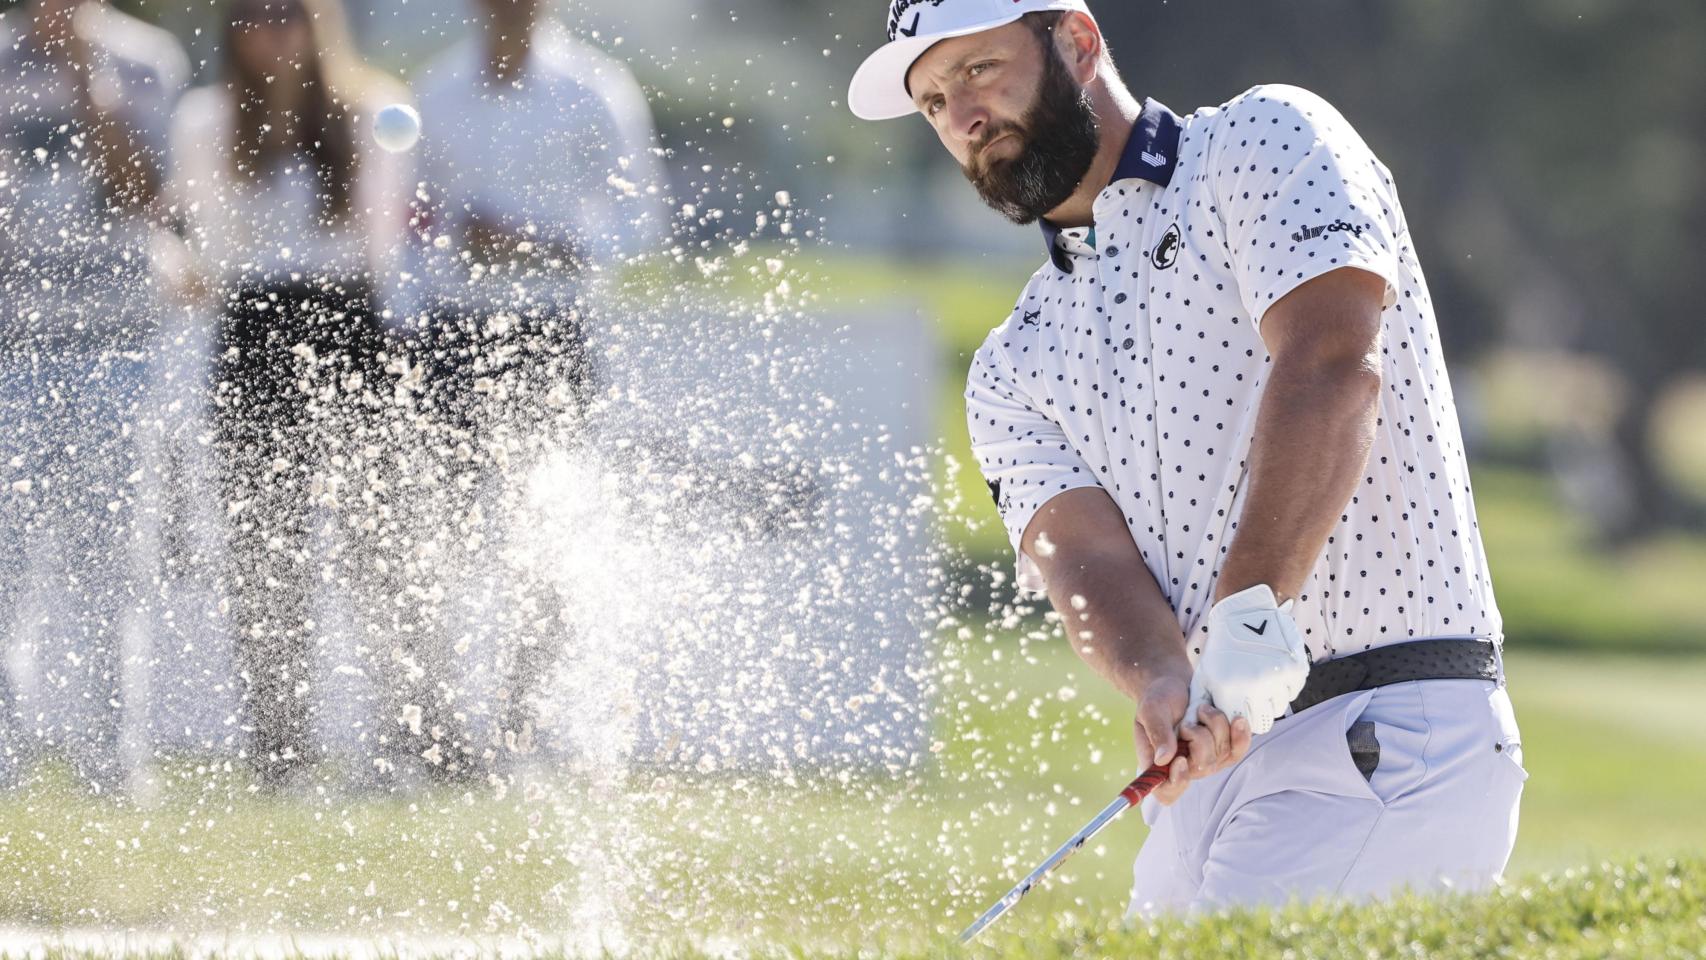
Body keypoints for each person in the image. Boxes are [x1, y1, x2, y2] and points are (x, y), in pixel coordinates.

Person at [849, 0, 1524, 916]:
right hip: (1214, 770)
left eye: (979, 70)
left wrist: (1250, 616)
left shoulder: (1264, 140)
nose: (963, 118)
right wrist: (1158, 675)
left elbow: (1332, 363)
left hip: (1387, 728)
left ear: (1077, 42)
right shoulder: (1012, 363)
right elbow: (1082, 558)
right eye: (933, 101)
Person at [157, 0, 426, 789]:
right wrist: (181, 268)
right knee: (264, 552)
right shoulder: (208, 120)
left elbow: (388, 241)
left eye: (286, 15)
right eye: (251, 16)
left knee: (382, 548)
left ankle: (407, 737)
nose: (269, 31)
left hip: (350, 323)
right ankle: (280, 751)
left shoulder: (370, 110)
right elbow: (191, 234)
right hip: (253, 329)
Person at [397, 0, 667, 769]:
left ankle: (521, 717)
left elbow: (640, 217)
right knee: (434, 535)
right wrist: (430, 278)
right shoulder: (436, 91)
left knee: (546, 534)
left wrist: (540, 244)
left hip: (552, 334)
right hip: (451, 331)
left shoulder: (594, 88)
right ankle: (437, 732)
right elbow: (410, 218)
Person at [0, 0, 188, 792]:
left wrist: (84, 76)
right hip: (10, 349)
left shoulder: (147, 60)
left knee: (110, 571)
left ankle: (112, 764)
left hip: (117, 348)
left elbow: (147, 195)